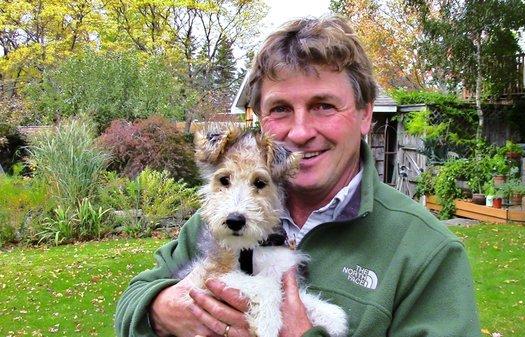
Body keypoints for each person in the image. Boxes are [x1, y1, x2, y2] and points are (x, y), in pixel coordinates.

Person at [115, 16, 480, 337]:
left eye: (323, 106)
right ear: (259, 119)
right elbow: (134, 300)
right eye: (280, 109)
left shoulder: (425, 251)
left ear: (365, 115)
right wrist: (162, 310)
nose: (301, 132)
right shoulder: (228, 213)